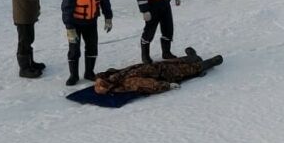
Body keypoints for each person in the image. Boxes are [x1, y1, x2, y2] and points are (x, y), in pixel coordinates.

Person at [61, 0, 113, 86]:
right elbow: (66, 9)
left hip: (91, 23)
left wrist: (108, 18)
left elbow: (105, 2)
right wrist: (69, 28)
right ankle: (73, 75)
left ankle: (89, 73)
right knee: (74, 50)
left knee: (92, 47)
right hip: (75, 25)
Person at [94, 48, 222, 96]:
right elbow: (150, 84)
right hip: (158, 70)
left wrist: (167, 85)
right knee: (182, 65)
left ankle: (201, 59)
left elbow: (150, 84)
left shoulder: (124, 80)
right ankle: (203, 59)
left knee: (185, 66)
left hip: (160, 70)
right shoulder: (118, 77)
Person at [12, 0, 44, 78]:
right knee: (24, 42)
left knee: (29, 40)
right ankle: (24, 69)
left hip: (28, 15)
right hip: (23, 17)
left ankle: (31, 64)